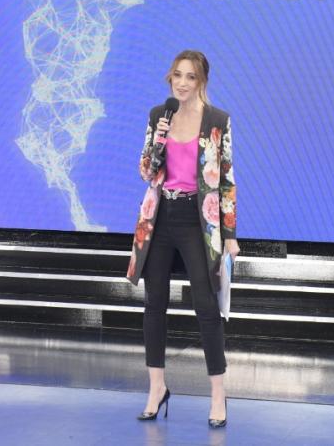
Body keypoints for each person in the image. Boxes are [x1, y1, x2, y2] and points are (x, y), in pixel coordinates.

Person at [126, 49, 239, 428]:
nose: (182, 83)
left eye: (190, 76)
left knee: (206, 306)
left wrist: (230, 235)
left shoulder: (218, 121)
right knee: (154, 303)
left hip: (197, 219)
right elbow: (146, 171)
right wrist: (158, 141)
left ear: (201, 81)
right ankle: (156, 388)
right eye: (177, 75)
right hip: (159, 218)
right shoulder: (159, 115)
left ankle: (218, 394)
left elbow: (226, 181)